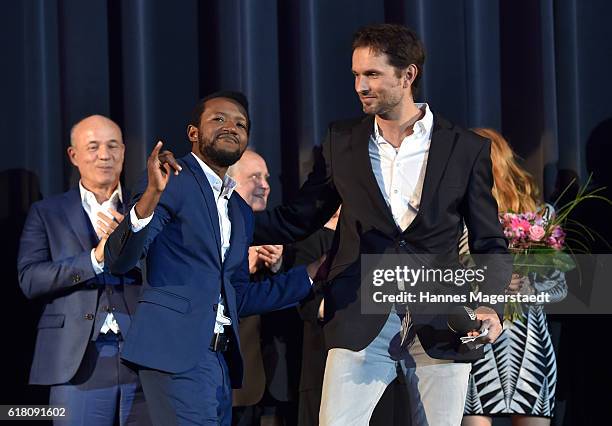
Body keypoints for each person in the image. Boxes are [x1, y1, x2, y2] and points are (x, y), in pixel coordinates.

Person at [252, 24, 511, 425]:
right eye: (356, 75)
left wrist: (489, 303)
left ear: (408, 75)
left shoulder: (465, 148)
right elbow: (299, 217)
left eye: (372, 74)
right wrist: (223, 220)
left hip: (440, 319)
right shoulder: (342, 141)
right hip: (360, 314)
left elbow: (489, 241)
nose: (360, 85)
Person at [104, 91, 320, 426]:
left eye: (240, 124)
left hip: (219, 361)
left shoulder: (239, 211)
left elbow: (239, 295)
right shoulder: (170, 180)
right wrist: (150, 196)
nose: (231, 127)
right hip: (175, 353)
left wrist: (308, 275)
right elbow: (120, 261)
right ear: (193, 133)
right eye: (218, 119)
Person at [17, 115, 151, 425]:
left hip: (143, 357)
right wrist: (96, 258)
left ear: (123, 152)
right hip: (76, 361)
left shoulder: (145, 208)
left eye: (113, 146)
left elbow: (172, 272)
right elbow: (30, 279)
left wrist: (134, 249)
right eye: (93, 147)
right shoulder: (47, 212)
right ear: (73, 155)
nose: (104, 155)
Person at [462, 128, 567, 426]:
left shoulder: (541, 216)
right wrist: (489, 281)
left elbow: (559, 287)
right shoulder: (456, 217)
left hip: (529, 346)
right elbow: (444, 279)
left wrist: (525, 284)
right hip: (477, 341)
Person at [228, 150, 298, 426]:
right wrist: (242, 267)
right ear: (230, 183)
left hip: (280, 380)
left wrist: (279, 267)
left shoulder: (285, 235)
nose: (265, 184)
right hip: (237, 385)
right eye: (255, 176)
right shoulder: (216, 232)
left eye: (267, 177)